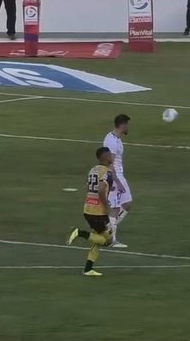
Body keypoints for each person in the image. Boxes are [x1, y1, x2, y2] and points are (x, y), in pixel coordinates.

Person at [66, 147, 115, 277]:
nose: (112, 157)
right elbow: (100, 190)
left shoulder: (93, 170)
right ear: (105, 157)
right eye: (110, 155)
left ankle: (88, 269)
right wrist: (107, 208)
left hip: (88, 208)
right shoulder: (106, 172)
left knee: (98, 239)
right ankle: (80, 232)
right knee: (107, 241)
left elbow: (88, 187)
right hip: (98, 212)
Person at [103, 114, 132, 248]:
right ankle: (111, 238)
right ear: (122, 125)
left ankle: (109, 227)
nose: (128, 127)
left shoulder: (115, 138)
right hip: (115, 176)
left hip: (118, 175)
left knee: (127, 204)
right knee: (115, 207)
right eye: (127, 125)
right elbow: (110, 162)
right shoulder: (113, 142)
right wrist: (117, 182)